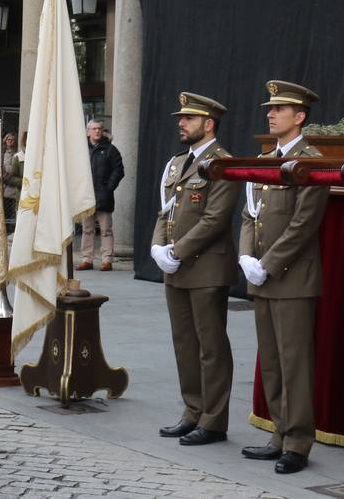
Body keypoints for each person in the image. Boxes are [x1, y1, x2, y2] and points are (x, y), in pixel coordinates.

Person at [238, 80, 328, 476]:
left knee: (294, 363)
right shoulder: (266, 158)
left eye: (279, 109)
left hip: (291, 277)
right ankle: (278, 432)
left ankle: (298, 442)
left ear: (300, 116)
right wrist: (245, 256)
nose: (271, 114)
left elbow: (303, 224)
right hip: (263, 275)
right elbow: (250, 213)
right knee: (271, 361)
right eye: (270, 109)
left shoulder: (311, 160)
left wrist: (269, 263)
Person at [149, 93, 237, 448]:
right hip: (177, 267)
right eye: (180, 118)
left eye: (188, 118)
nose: (180, 123)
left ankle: (214, 421)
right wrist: (158, 247)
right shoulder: (176, 163)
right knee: (184, 343)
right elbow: (165, 211)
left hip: (207, 269)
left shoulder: (224, 163)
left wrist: (178, 250)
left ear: (209, 124)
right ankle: (192, 411)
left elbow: (215, 219)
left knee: (210, 346)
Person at [77, 120, 125, 271]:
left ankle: (107, 259)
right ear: (88, 131)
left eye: (100, 129)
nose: (97, 131)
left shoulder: (111, 150)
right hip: (86, 196)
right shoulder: (81, 149)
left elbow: (119, 170)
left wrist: (108, 187)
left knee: (106, 229)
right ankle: (87, 259)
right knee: (87, 229)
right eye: (94, 129)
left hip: (104, 196)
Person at [0, 132, 22, 219]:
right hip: (4, 182)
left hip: (13, 182)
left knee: (13, 208)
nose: (10, 141)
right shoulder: (1, 152)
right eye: (8, 139)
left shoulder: (18, 154)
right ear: (5, 141)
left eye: (12, 140)